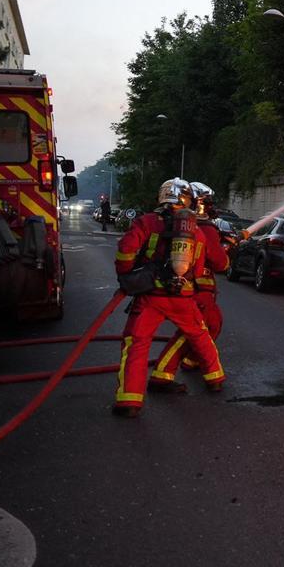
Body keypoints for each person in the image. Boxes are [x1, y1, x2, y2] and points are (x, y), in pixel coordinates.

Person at [112, 178, 227, 417]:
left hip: (150, 295)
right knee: (199, 334)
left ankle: (129, 401)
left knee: (137, 343)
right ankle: (215, 378)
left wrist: (126, 275)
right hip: (183, 296)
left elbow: (126, 250)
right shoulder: (196, 229)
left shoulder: (147, 222)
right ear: (188, 199)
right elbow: (203, 265)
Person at [151, 182, 231, 383]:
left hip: (187, 287)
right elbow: (220, 263)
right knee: (199, 329)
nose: (212, 207)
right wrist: (226, 252)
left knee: (208, 326)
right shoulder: (205, 228)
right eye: (208, 203)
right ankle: (163, 372)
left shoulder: (188, 225)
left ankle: (192, 360)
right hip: (199, 289)